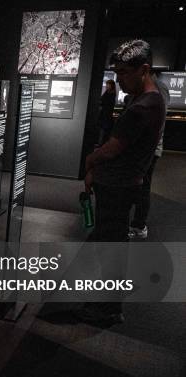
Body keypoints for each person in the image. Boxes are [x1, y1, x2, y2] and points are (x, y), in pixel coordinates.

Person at [80, 39, 166, 324]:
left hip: (118, 188)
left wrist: (91, 161)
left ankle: (107, 308)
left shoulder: (144, 106)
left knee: (110, 247)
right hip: (120, 185)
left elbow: (113, 148)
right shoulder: (146, 101)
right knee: (108, 243)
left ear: (144, 69)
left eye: (123, 73)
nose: (119, 79)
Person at [129, 75, 169, 239]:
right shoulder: (157, 88)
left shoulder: (155, 89)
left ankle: (139, 225)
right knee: (139, 186)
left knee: (142, 187)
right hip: (146, 148)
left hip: (148, 149)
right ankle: (137, 223)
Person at [98, 79, 117, 145]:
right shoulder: (108, 93)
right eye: (107, 84)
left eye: (108, 84)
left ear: (111, 85)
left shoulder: (111, 94)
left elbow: (104, 102)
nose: (106, 86)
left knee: (104, 131)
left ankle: (101, 144)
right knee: (103, 130)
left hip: (107, 115)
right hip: (105, 115)